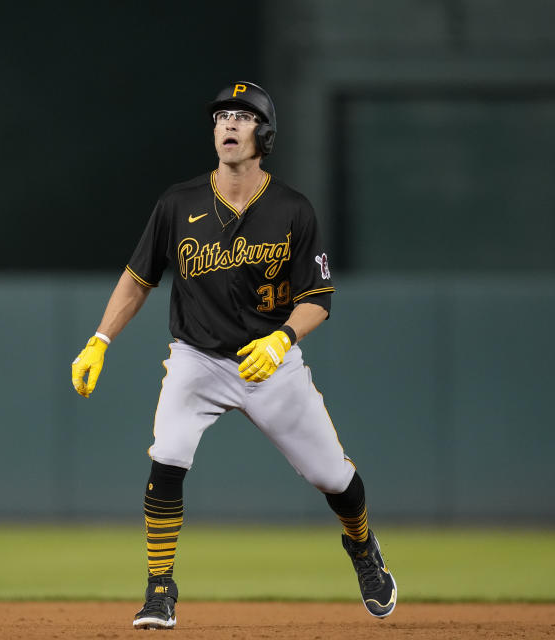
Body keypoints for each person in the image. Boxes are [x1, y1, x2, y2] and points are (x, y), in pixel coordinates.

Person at [70, 81, 397, 629]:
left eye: (242, 117)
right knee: (167, 456)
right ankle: (159, 589)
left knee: (334, 477)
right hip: (198, 358)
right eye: (222, 116)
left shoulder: (292, 208)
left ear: (264, 134)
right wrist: (99, 340)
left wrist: (282, 339)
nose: (228, 124)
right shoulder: (179, 202)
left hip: (272, 364)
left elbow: (317, 299)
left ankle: (363, 549)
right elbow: (137, 279)